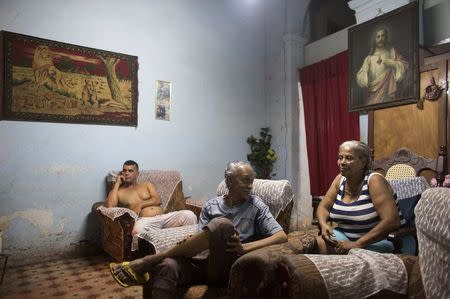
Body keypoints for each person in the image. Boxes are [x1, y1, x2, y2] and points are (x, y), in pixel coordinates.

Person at [110, 161, 288, 298]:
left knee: (222, 224)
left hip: (229, 265)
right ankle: (160, 260)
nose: (250, 185)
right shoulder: (212, 205)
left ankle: (150, 260)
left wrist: (245, 248)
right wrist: (186, 247)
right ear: (230, 181)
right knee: (168, 266)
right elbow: (201, 239)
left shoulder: (256, 205)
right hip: (203, 263)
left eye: (252, 181)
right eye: (245, 181)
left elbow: (281, 236)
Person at [316, 141, 403, 254]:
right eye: (340, 157)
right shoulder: (340, 179)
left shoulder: (374, 181)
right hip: (346, 237)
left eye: (349, 158)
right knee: (321, 242)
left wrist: (356, 245)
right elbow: (324, 207)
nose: (342, 162)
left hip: (381, 240)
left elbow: (392, 221)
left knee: (351, 255)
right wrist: (323, 225)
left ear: (363, 162)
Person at [105, 160, 197, 235]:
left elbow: (157, 200)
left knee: (189, 215)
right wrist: (117, 183)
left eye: (130, 171)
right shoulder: (120, 192)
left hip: (163, 218)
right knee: (137, 231)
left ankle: (189, 248)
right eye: (124, 170)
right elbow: (110, 206)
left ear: (137, 173)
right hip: (145, 222)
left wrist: (140, 204)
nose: (126, 173)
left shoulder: (146, 185)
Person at [356, 27, 408, 105]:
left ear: (386, 37)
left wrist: (394, 64)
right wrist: (365, 73)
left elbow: (405, 65)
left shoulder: (392, 52)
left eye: (383, 36)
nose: (380, 39)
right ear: (374, 39)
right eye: (378, 36)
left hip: (388, 91)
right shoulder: (369, 59)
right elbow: (360, 79)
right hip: (373, 95)